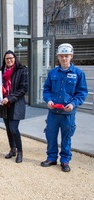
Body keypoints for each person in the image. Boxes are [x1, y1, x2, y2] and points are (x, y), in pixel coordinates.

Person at [41, 43, 88, 172]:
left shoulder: (78, 74)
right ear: (58, 57)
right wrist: (48, 100)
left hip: (68, 114)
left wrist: (73, 104)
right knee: (51, 135)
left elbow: (82, 92)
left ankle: (65, 160)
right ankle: (51, 158)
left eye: (66, 56)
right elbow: (46, 90)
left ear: (71, 56)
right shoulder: (53, 73)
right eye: (61, 56)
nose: (64, 58)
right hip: (53, 113)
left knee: (66, 138)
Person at [0, 50, 28, 163]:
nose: (9, 60)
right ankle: (12, 149)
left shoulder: (22, 70)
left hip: (15, 103)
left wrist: (9, 98)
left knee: (14, 128)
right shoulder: (1, 71)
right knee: (8, 129)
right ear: (4, 60)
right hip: (4, 105)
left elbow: (24, 89)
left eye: (11, 58)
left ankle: (20, 152)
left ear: (15, 58)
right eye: (7, 58)